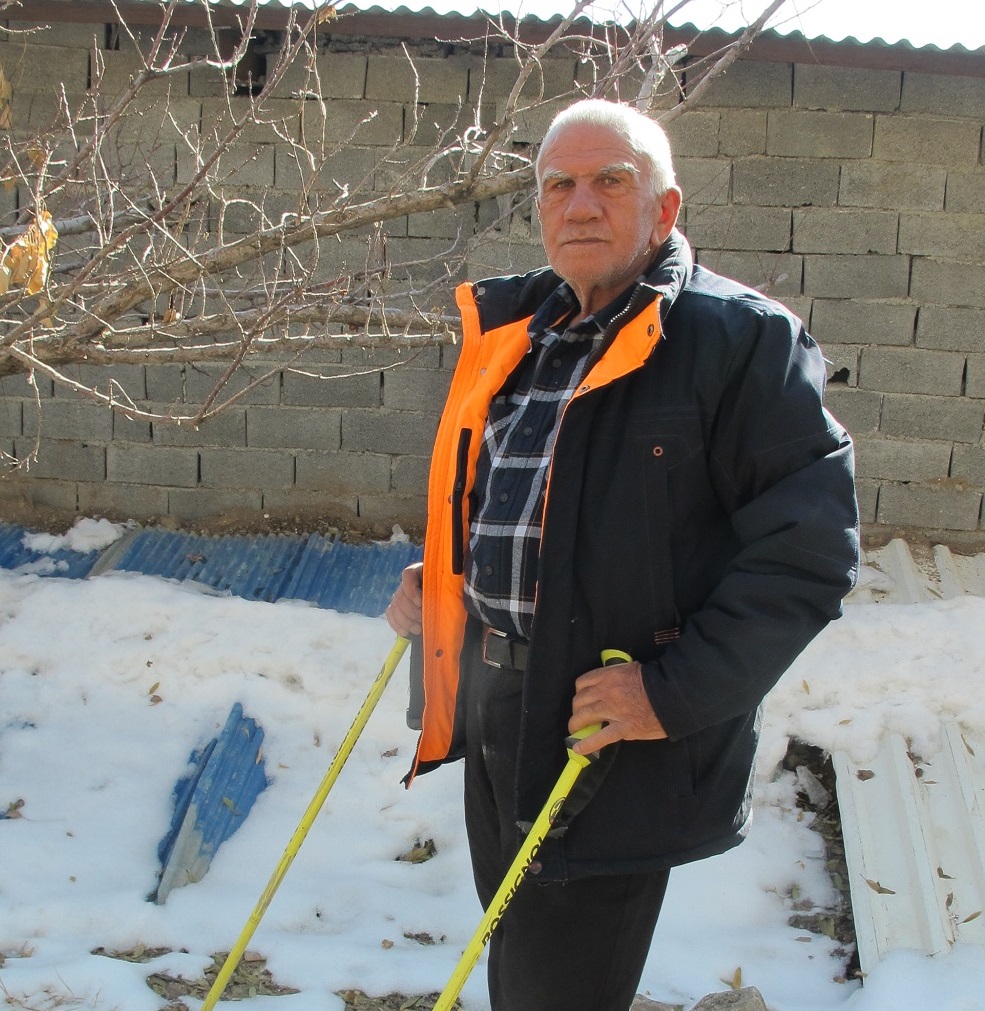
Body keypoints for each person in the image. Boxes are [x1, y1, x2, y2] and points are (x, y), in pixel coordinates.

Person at [386, 98, 858, 1011]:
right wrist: (448, 578)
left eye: (611, 181)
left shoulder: (739, 339)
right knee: (515, 937)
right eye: (557, 184)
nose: (580, 204)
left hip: (604, 722)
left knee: (557, 981)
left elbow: (807, 553)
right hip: (494, 700)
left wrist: (670, 690)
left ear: (664, 209)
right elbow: (508, 499)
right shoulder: (518, 327)